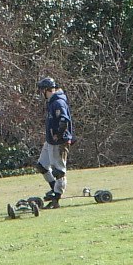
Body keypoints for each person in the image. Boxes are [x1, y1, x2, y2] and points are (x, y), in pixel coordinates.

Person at [35, 77, 74, 208]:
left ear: (47, 90)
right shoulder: (51, 102)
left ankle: (56, 198)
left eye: (43, 91)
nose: (42, 94)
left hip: (59, 142)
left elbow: (64, 120)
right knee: (42, 166)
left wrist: (58, 134)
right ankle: (53, 189)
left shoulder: (58, 102)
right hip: (50, 141)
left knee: (59, 171)